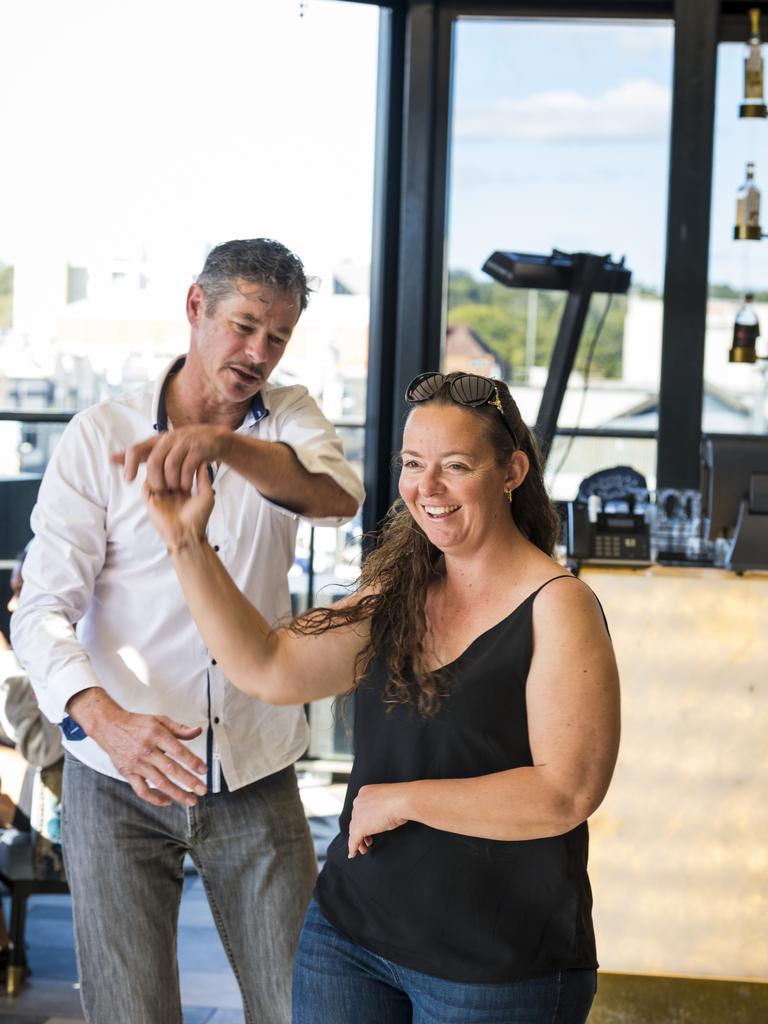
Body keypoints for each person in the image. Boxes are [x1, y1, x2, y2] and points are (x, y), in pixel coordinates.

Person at [144, 370, 621, 1024]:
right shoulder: (394, 593)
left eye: (455, 465)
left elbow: (566, 791)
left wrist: (402, 800)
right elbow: (270, 668)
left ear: (511, 471)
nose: (426, 488)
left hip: (497, 966)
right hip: (350, 937)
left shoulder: (559, 607)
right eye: (412, 464)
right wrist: (186, 542)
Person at [11, 239, 365, 1024]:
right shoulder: (97, 436)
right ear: (195, 308)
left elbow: (336, 498)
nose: (258, 354)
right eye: (243, 326)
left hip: (255, 765)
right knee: (130, 1012)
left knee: (297, 1005)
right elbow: (38, 608)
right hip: (117, 771)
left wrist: (223, 445)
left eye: (277, 337)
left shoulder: (291, 417)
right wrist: (106, 722)